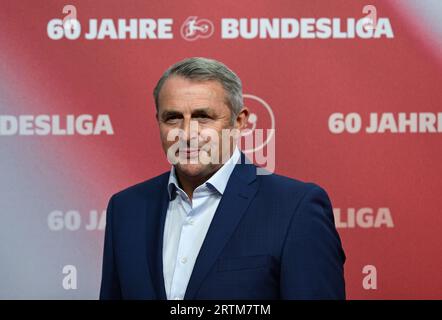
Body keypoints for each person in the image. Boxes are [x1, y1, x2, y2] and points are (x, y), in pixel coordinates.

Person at [100, 57, 346, 300]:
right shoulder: (125, 208)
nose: (187, 133)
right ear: (159, 122)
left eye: (203, 117)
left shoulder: (294, 208)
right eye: (173, 117)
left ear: (238, 122)